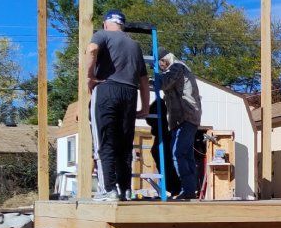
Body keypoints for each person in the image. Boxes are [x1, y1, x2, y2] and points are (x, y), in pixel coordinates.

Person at [86, 10, 149, 200]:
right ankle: (125, 190)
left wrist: (89, 76)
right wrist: (145, 107)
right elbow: (144, 81)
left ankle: (108, 190)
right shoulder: (135, 45)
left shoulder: (102, 34)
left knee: (104, 142)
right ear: (122, 24)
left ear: (106, 23)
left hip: (107, 89)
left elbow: (91, 50)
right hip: (130, 94)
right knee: (124, 144)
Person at [157, 49, 202, 200]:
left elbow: (164, 82)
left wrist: (142, 80)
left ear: (164, 60)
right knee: (186, 155)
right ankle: (190, 190)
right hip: (180, 120)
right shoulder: (176, 68)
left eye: (159, 64)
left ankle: (188, 190)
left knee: (178, 153)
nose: (158, 67)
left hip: (186, 117)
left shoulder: (177, 67)